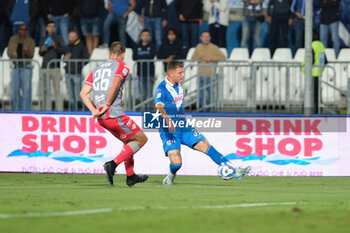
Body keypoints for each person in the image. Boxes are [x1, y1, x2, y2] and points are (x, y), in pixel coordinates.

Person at [154, 61, 251, 185]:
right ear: (171, 74)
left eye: (183, 72)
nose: (183, 75)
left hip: (183, 127)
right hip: (169, 131)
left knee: (205, 144)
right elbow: (159, 107)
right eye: (180, 73)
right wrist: (168, 120)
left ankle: (235, 169)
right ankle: (170, 176)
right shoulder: (162, 88)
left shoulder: (179, 86)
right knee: (177, 164)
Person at [80, 41, 149, 186]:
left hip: (102, 118)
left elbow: (83, 93)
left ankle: (130, 176)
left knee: (129, 142)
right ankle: (113, 164)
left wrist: (94, 110)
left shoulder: (96, 70)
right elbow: (115, 84)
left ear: (109, 53)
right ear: (123, 54)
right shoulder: (122, 66)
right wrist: (108, 104)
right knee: (141, 139)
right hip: (114, 114)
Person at [192, 31, 226, 111]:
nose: (206, 38)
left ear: (210, 38)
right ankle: (201, 110)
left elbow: (223, 57)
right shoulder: (198, 46)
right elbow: (193, 57)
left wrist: (210, 58)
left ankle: (211, 110)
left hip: (210, 74)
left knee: (210, 93)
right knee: (201, 94)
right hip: (200, 74)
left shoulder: (214, 47)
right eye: (204, 37)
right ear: (201, 38)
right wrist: (201, 57)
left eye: (207, 37)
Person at [7, 23, 35, 111]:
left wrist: (26, 52)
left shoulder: (31, 41)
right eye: (21, 29)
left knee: (26, 91)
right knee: (15, 90)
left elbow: (31, 55)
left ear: (27, 30)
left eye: (25, 29)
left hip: (26, 67)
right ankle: (16, 110)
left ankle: (26, 111)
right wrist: (12, 55)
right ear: (19, 30)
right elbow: (9, 52)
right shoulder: (13, 39)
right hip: (15, 66)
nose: (23, 31)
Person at [39, 21, 65, 111]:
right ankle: (46, 109)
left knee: (57, 90)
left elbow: (63, 51)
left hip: (55, 67)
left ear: (55, 28)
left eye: (53, 26)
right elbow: (40, 53)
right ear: (46, 28)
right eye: (49, 26)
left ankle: (59, 110)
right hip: (45, 67)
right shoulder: (43, 38)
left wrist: (55, 46)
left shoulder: (58, 38)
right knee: (45, 90)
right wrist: (42, 50)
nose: (51, 28)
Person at [64, 31, 90, 111]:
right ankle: (73, 111)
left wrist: (78, 65)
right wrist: (65, 59)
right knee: (71, 95)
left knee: (79, 94)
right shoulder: (67, 46)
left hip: (77, 73)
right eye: (70, 37)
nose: (71, 38)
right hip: (68, 73)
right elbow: (64, 58)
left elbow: (86, 58)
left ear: (77, 37)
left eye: (73, 36)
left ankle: (87, 109)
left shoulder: (81, 46)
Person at [302, 30, 326, 114]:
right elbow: (324, 59)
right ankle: (318, 111)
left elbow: (310, 60)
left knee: (308, 94)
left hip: (311, 73)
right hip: (319, 73)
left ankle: (307, 112)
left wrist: (304, 68)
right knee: (317, 95)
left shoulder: (311, 45)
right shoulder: (321, 45)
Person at [132, 29, 156, 110]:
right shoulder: (137, 46)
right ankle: (143, 110)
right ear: (141, 36)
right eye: (144, 35)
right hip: (141, 73)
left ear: (149, 36)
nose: (145, 37)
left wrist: (141, 57)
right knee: (143, 93)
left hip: (150, 73)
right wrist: (145, 56)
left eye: (147, 35)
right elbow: (134, 57)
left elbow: (151, 56)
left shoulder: (152, 45)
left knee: (149, 93)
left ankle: (150, 110)